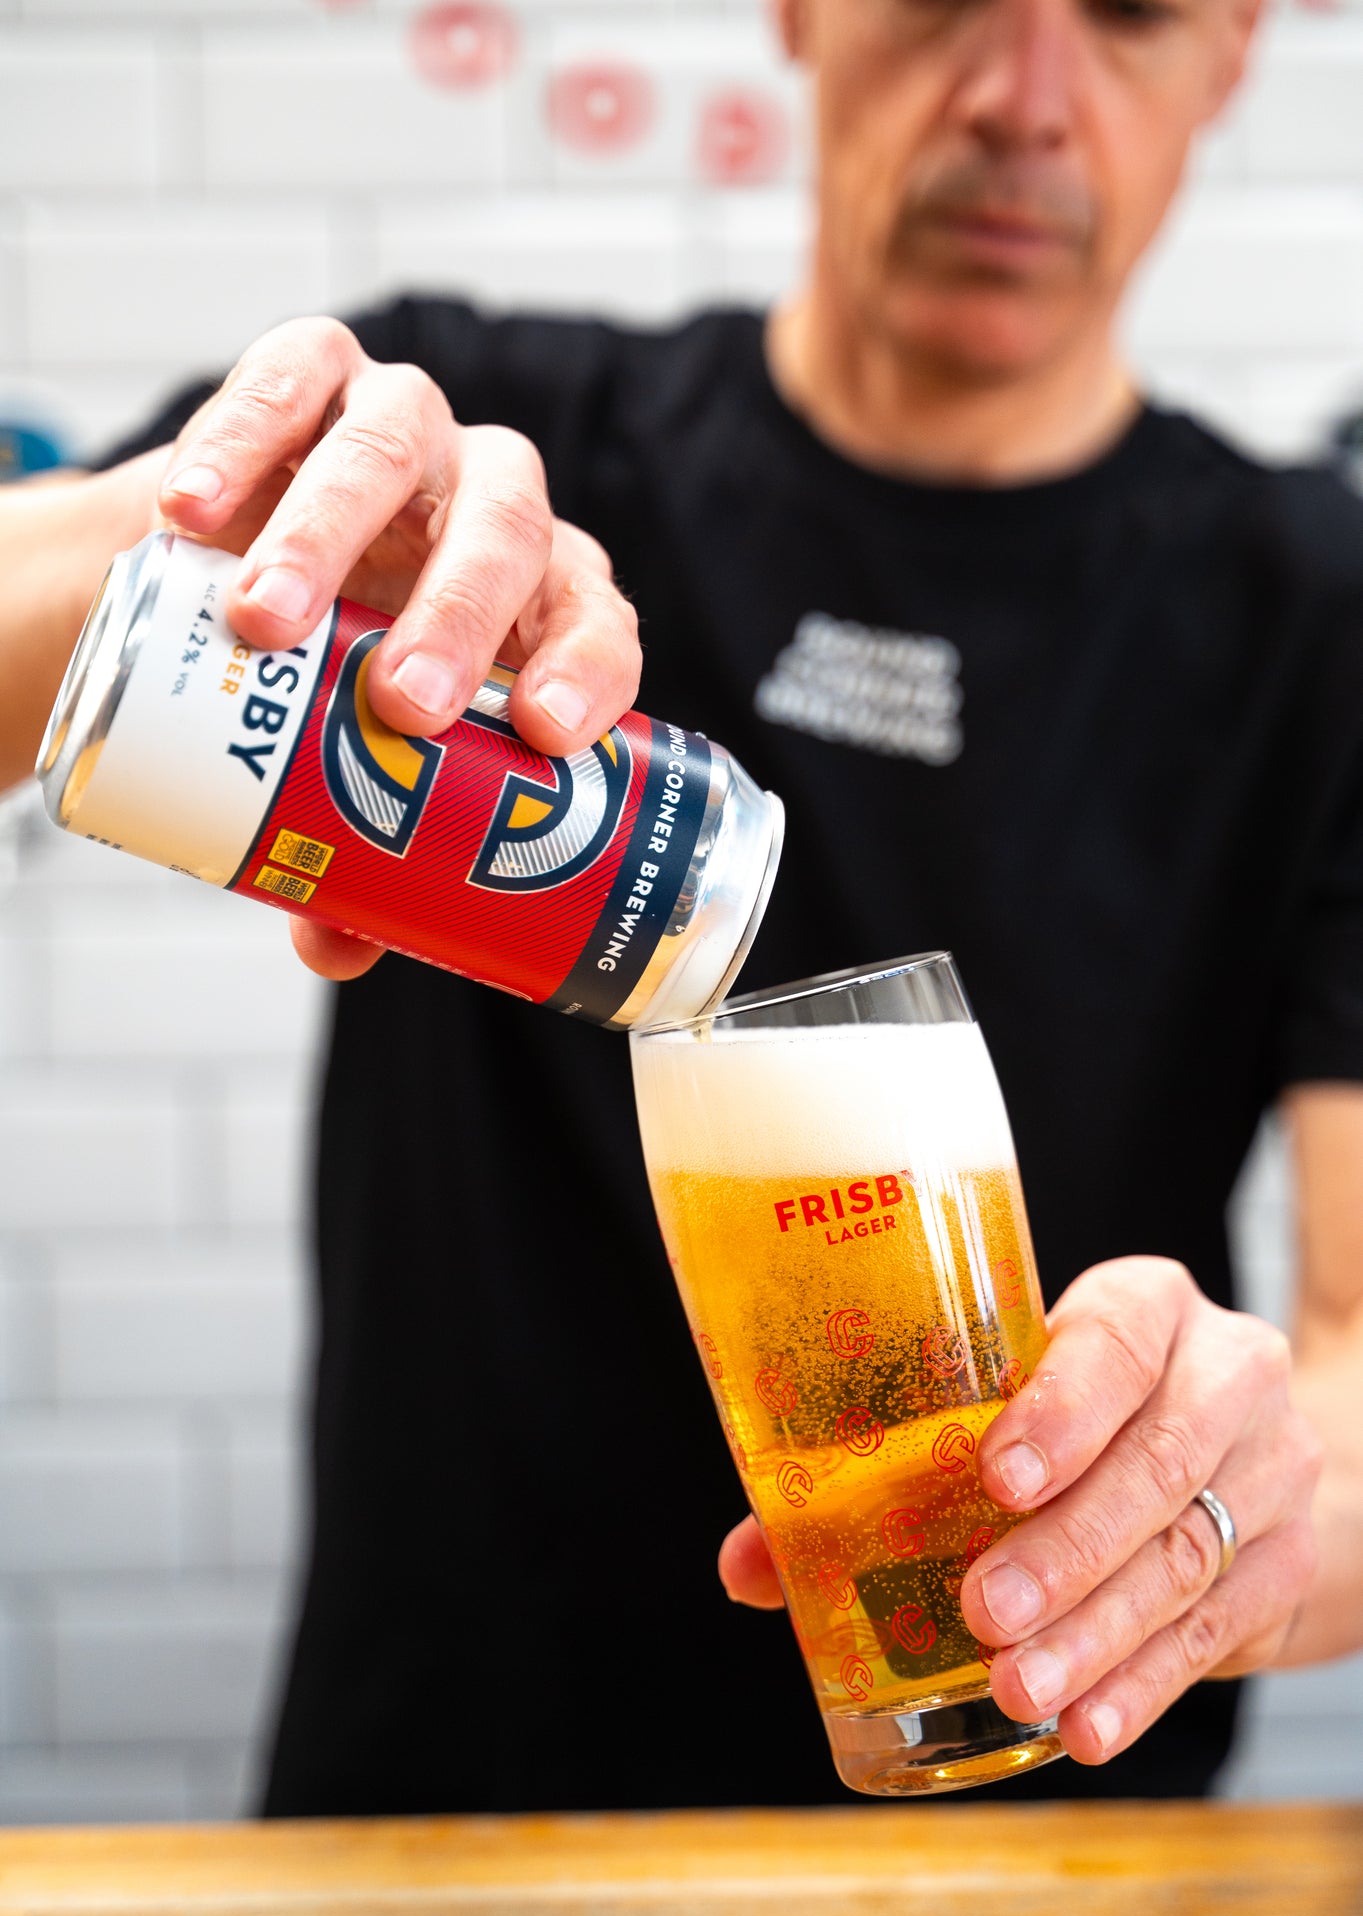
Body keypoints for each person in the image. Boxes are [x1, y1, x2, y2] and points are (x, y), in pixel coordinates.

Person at [0, 0, 1354, 1813]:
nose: (1025, 99)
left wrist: (1249, 1497)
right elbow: (74, 663)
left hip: (1044, 1852)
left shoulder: (1319, 615)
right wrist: (159, 556)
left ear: (1236, 48)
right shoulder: (480, 458)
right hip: (438, 1850)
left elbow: (1357, 1370)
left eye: (1129, 14)